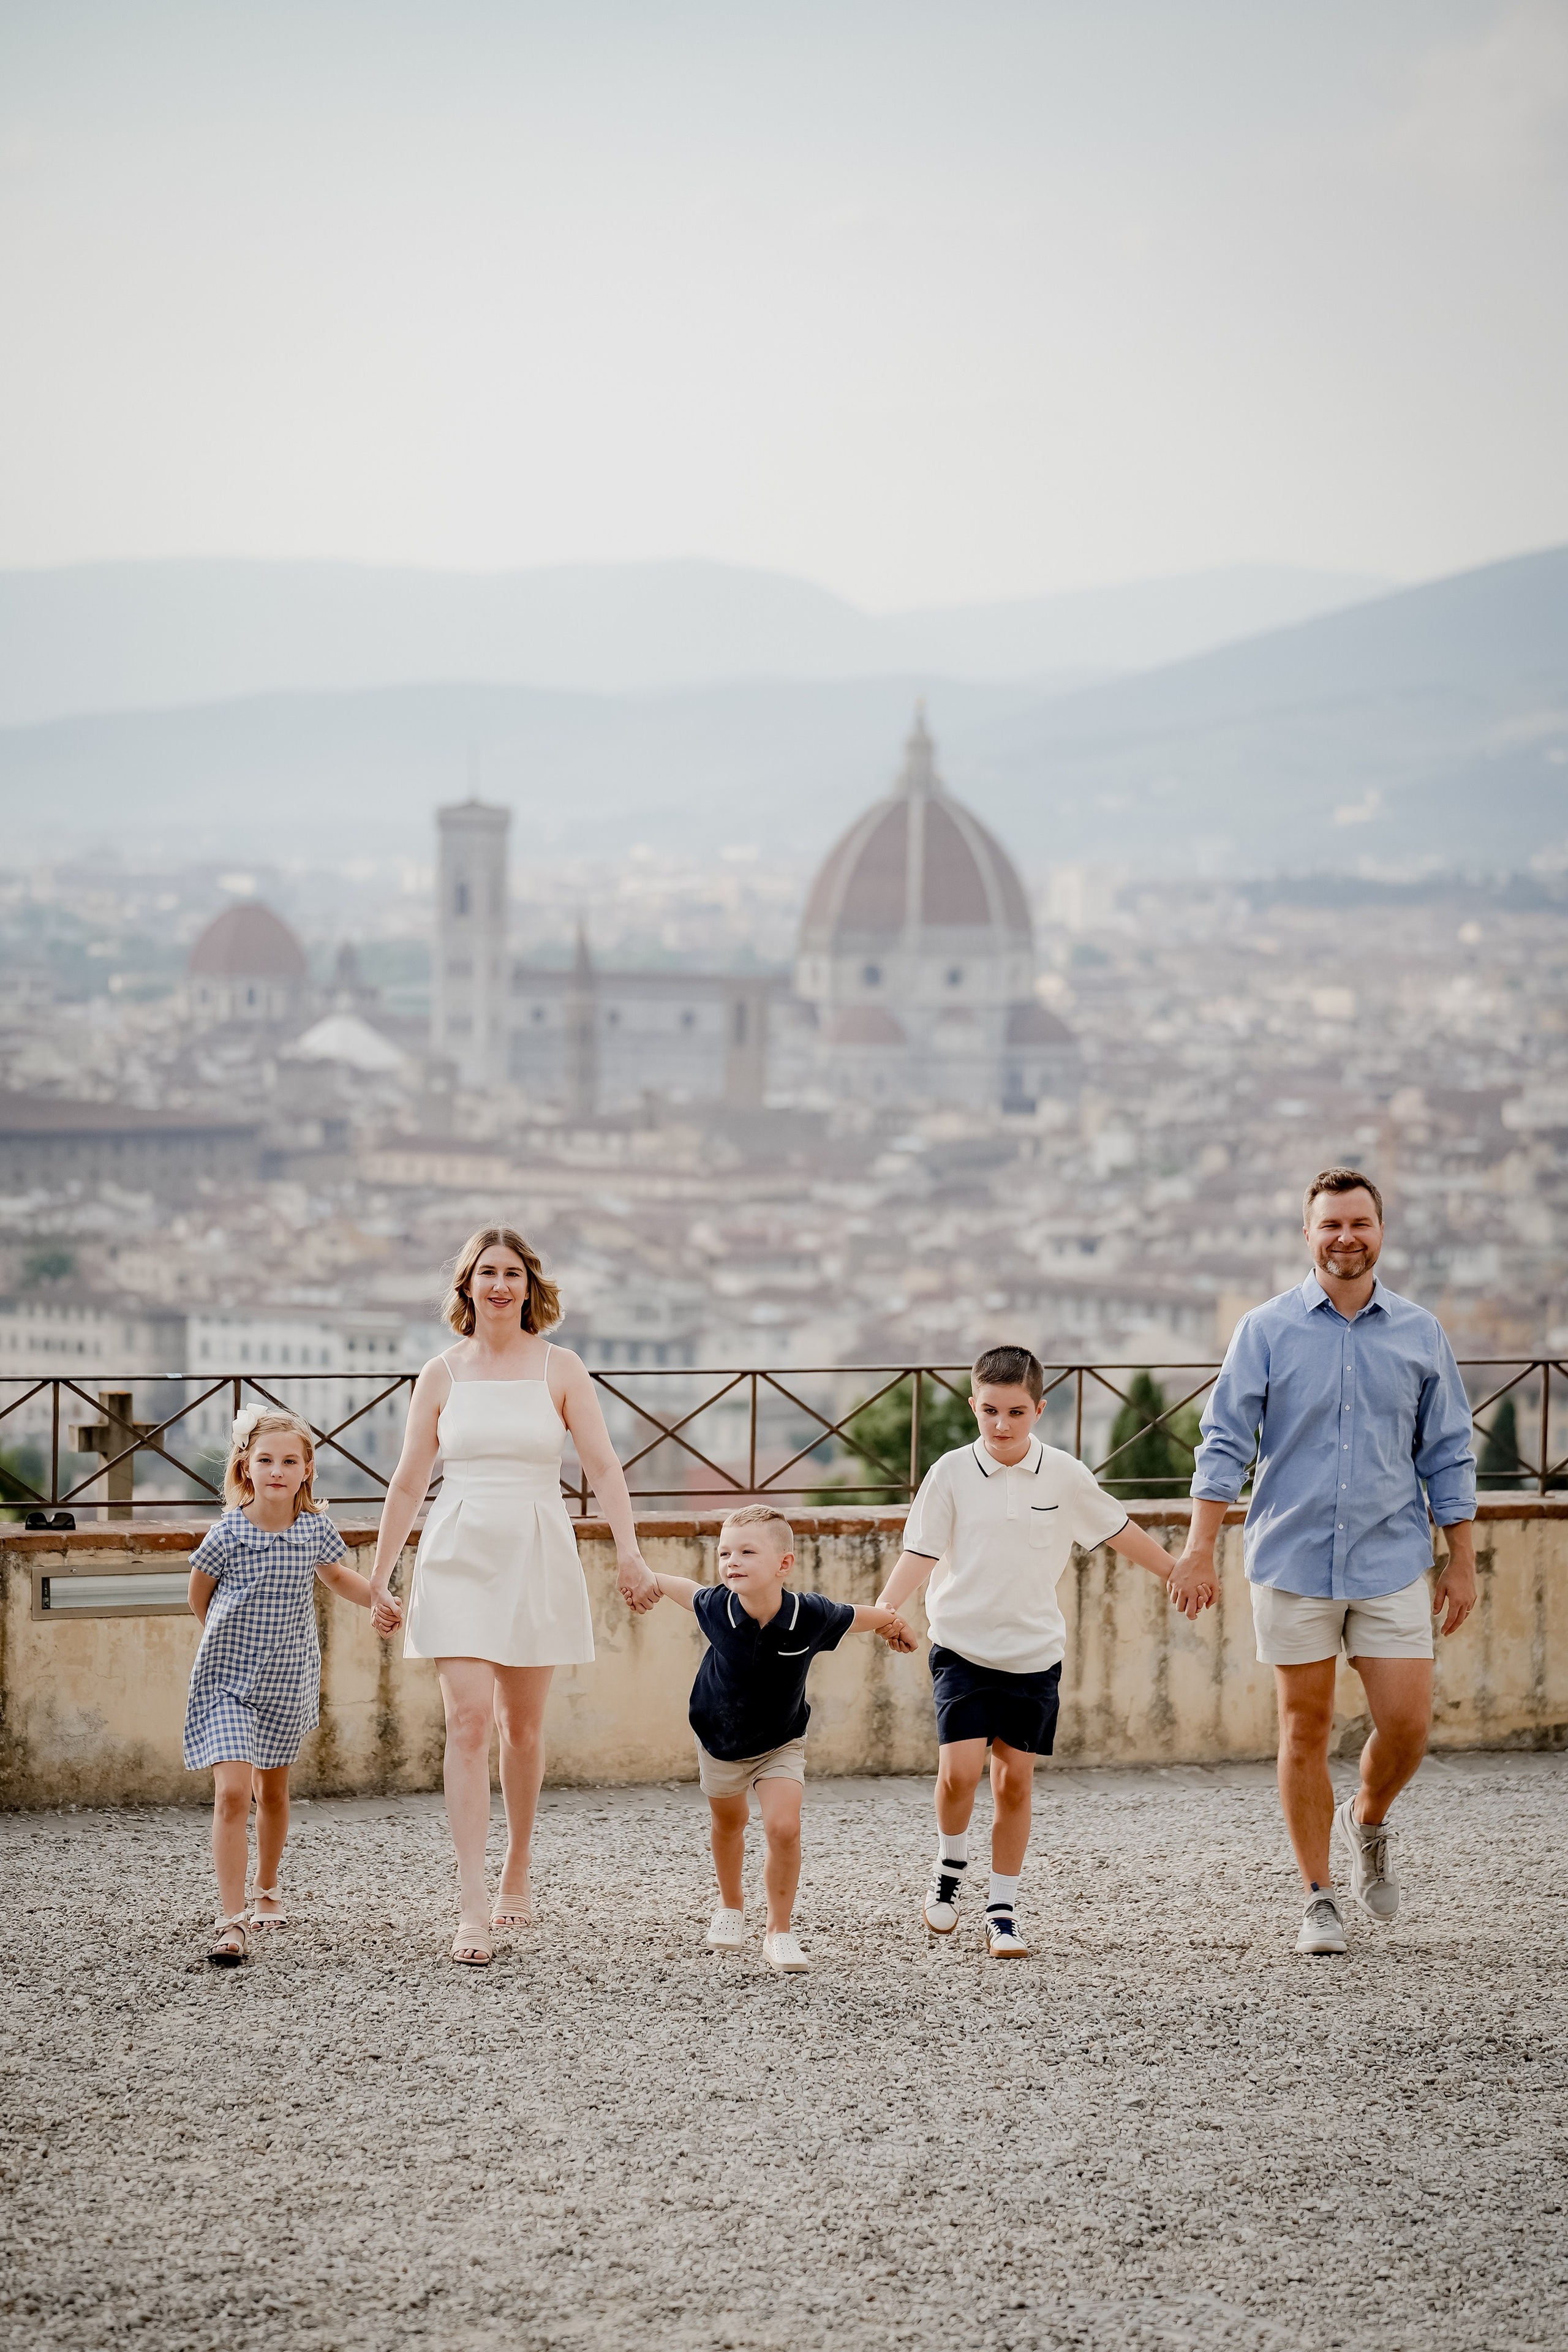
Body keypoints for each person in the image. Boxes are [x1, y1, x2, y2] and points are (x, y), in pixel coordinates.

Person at [1170, 1167, 1477, 1956]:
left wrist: (1462, 1561)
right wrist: (1198, 1548)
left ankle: (1365, 1819)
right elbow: (1223, 1445)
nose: (1346, 1237)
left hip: (1391, 1557)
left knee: (1407, 1728)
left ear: (1380, 1232)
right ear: (1307, 1234)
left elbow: (1448, 1452)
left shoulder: (1420, 1333)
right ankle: (1317, 1898)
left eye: (1359, 1223)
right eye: (1331, 1224)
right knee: (1302, 1727)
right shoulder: (1264, 1329)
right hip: (1293, 1559)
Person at [368, 1226, 659, 1967]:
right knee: (466, 1723)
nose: (499, 1285)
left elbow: (603, 1466)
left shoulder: (562, 1367)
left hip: (536, 1546)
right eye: (486, 1273)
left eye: (512, 1274)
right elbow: (409, 1479)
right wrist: (380, 1574)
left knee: (519, 1730)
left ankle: (517, 1868)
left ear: (529, 1287)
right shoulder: (440, 1373)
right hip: (458, 1549)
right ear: (466, 1286)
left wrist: (629, 1552)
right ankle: (471, 1907)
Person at [874, 1345, 1192, 1958]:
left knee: (1014, 1783)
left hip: (1034, 1656)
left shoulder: (1065, 1474)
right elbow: (921, 1551)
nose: (1001, 1424)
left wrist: (1177, 1570)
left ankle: (1002, 1910)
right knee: (958, 1773)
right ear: (973, 1405)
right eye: (989, 1410)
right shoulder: (949, 1472)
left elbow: (1117, 1529)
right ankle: (949, 1865)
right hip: (961, 1646)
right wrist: (886, 1611)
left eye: (1015, 1412)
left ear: (1039, 1410)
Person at [650, 1505, 915, 1973]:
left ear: (783, 1564)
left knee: (784, 1828)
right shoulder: (716, 1607)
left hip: (781, 1742)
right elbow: (683, 1589)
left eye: (747, 1552)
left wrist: (894, 1624)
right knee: (730, 1823)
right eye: (725, 1553)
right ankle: (731, 1905)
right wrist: (644, 1577)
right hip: (719, 1739)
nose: (732, 1561)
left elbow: (860, 1615)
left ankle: (779, 1932)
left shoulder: (809, 1614)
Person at [186, 1406, 396, 1967]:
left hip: (287, 1680)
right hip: (227, 1681)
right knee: (233, 1793)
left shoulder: (313, 1531)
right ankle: (231, 1921)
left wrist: (378, 1597)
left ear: (307, 1470)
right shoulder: (227, 1533)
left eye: (288, 1461)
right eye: (265, 1460)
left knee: (272, 1794)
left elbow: (338, 1577)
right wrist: (230, 1641)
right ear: (245, 1468)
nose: (276, 1470)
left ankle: (267, 1887)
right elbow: (199, 1597)